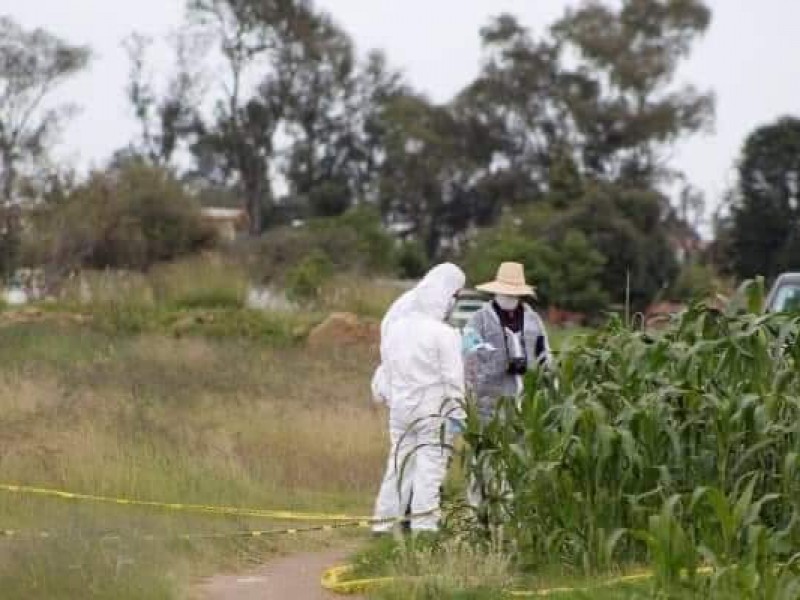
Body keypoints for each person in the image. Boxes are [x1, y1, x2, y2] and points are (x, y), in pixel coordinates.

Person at [371, 263, 466, 534]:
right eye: (455, 297)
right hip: (434, 414)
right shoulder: (444, 334)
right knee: (429, 470)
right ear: (445, 296)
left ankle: (384, 523)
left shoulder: (397, 329)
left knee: (399, 464)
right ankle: (424, 528)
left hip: (401, 411)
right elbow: (453, 382)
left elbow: (387, 372)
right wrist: (459, 416)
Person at [462, 262, 552, 508]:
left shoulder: (533, 320)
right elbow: (467, 354)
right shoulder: (479, 319)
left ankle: (511, 508)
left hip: (523, 399)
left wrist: (546, 381)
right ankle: (476, 508)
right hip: (487, 400)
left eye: (514, 294)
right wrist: (493, 364)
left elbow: (545, 355)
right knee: (482, 454)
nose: (509, 298)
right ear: (496, 291)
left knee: (517, 453)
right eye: (506, 293)